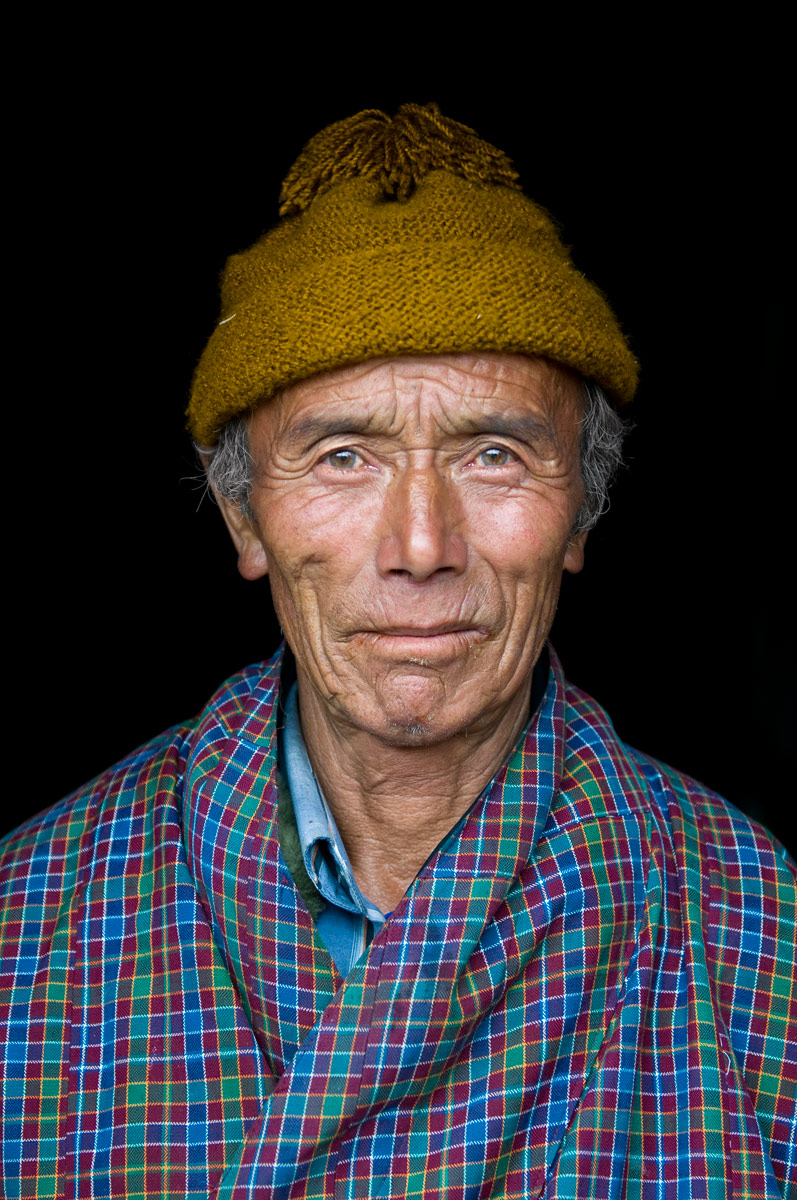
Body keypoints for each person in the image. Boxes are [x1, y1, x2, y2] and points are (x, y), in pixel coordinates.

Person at [2, 103, 794, 1199]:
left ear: (577, 513)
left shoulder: (761, 933)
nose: (421, 547)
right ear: (244, 521)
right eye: (339, 458)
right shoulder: (29, 924)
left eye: (493, 454)